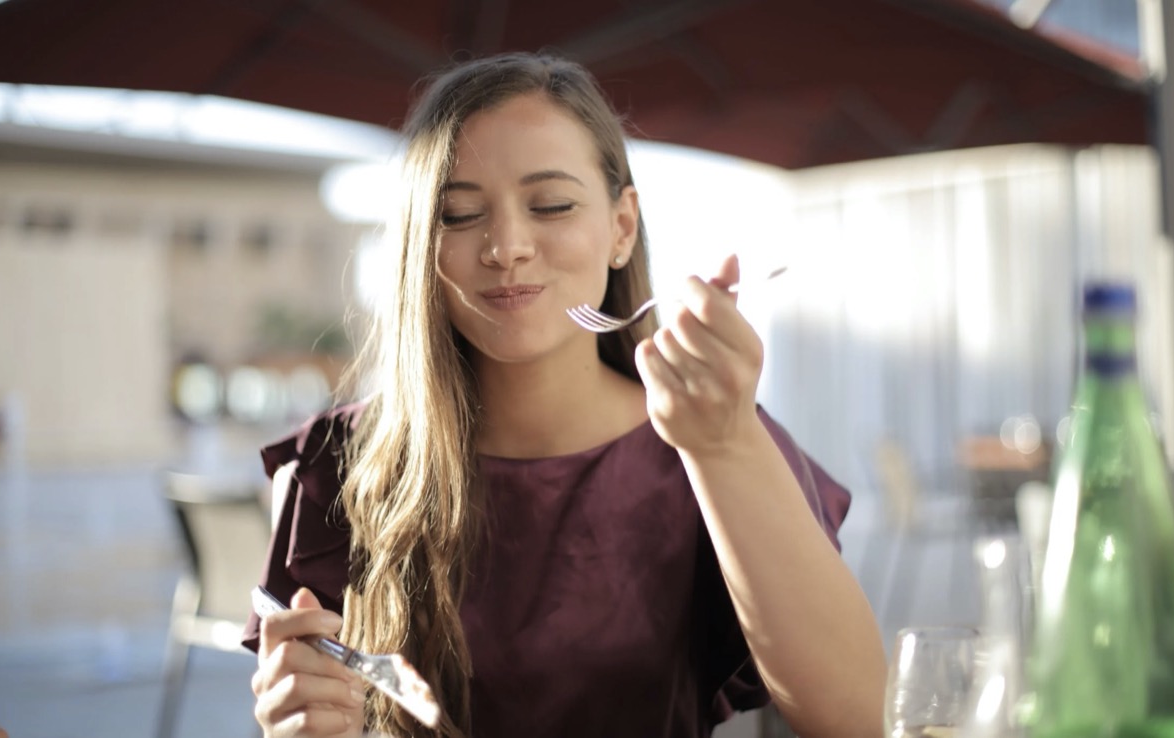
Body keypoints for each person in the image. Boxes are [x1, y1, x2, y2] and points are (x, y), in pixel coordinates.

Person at [244, 51, 886, 738]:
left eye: (551, 204)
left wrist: (723, 446)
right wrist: (298, 720)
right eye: (459, 215)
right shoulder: (342, 463)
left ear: (622, 227)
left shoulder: (711, 437)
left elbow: (860, 718)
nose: (507, 246)